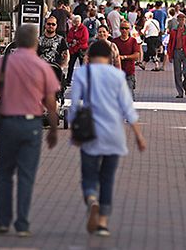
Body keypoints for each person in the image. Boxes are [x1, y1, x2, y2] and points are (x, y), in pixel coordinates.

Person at [0, 24, 59, 237]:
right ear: (36, 42)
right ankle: (22, 224)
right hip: (31, 125)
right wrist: (53, 129)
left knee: (4, 173)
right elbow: (51, 102)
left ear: (17, 41)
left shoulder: (4, 63)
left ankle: (2, 222)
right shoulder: (42, 67)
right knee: (26, 175)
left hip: (7, 124)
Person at [68, 41, 147, 237]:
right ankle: (102, 221)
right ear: (109, 57)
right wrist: (138, 136)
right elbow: (128, 109)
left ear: (90, 56)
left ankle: (91, 198)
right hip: (114, 133)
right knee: (107, 178)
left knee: (89, 174)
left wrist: (73, 129)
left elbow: (74, 106)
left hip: (89, 132)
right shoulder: (118, 76)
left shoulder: (82, 74)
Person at [167, 13, 186, 99]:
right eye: (180, 19)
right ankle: (180, 92)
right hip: (177, 52)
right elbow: (170, 43)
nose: (181, 21)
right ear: (177, 20)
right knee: (177, 73)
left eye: (183, 19)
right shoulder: (174, 31)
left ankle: (185, 86)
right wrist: (170, 54)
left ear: (185, 20)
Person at [112, 20, 141, 96]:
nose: (124, 30)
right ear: (119, 29)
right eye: (122, 28)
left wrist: (124, 57)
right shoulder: (115, 41)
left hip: (129, 73)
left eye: (126, 28)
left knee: (129, 95)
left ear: (129, 29)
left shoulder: (133, 41)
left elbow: (136, 56)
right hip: (117, 73)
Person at [66, 15, 90, 85]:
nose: (77, 23)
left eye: (78, 21)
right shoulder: (72, 29)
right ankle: (68, 79)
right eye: (75, 21)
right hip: (73, 49)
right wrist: (72, 41)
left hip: (81, 49)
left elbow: (85, 39)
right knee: (71, 65)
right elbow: (68, 38)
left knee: (82, 65)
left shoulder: (84, 28)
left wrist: (76, 42)